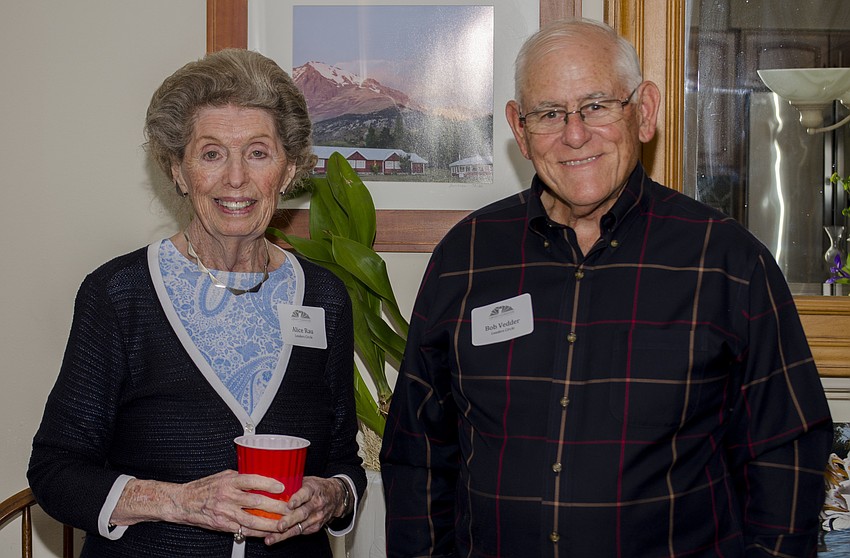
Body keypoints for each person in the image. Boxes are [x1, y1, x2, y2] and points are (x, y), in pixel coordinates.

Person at [380, 18, 832, 557]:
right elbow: (418, 453)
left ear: (644, 111)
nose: (574, 134)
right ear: (519, 130)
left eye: (596, 105)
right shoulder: (466, 257)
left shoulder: (729, 263)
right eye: (549, 113)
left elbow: (787, 454)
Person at [28, 48, 365, 558]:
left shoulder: (323, 298)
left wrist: (332, 496)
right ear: (178, 171)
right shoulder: (119, 294)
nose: (235, 178)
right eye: (211, 154)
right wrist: (181, 502)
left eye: (257, 152)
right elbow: (55, 471)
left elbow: (345, 460)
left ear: (288, 168)